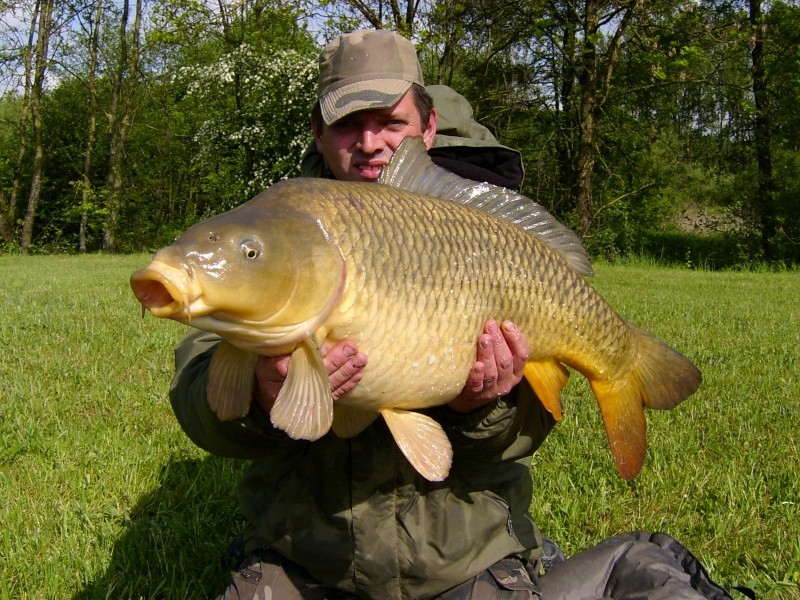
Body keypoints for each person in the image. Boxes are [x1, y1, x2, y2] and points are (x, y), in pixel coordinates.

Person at [169, 29, 743, 600]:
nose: (370, 143)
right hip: (304, 553)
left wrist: (481, 406)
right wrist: (261, 393)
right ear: (319, 134)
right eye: (348, 124)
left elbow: (523, 438)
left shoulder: (471, 222)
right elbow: (198, 400)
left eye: (391, 123)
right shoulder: (278, 224)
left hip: (465, 554)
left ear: (427, 127)